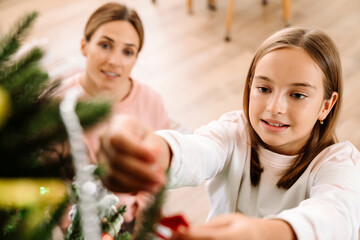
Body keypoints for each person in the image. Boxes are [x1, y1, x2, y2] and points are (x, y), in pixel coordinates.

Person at [97, 27, 360, 240]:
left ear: (326, 105)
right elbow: (197, 149)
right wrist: (152, 149)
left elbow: (334, 217)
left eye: (298, 95)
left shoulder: (340, 164)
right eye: (264, 89)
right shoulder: (234, 132)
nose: (274, 107)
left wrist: (262, 233)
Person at [53, 2, 171, 232]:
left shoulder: (152, 103)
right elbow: (49, 181)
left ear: (136, 58)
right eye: (105, 45)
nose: (114, 61)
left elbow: (159, 174)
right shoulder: (59, 102)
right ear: (84, 45)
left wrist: (141, 221)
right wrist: (72, 224)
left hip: (130, 218)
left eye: (127, 52)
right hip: (77, 219)